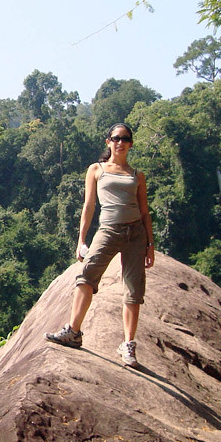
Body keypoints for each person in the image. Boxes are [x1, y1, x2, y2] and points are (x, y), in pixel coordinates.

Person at [45, 123, 155, 366]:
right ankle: (73, 331)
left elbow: (145, 212)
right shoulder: (97, 169)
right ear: (108, 142)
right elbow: (89, 205)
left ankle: (128, 345)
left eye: (125, 139)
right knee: (86, 276)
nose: (120, 142)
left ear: (131, 144)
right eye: (116, 138)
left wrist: (150, 244)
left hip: (135, 232)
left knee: (133, 290)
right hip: (108, 230)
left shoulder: (137, 176)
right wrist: (81, 239)